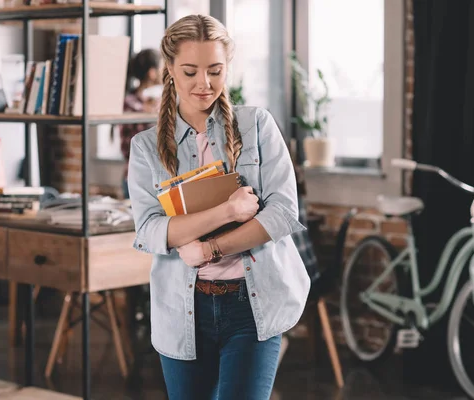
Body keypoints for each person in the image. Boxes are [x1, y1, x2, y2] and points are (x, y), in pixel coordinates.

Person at [127, 14, 311, 400]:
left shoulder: (257, 125)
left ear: (227, 67)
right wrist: (227, 213)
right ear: (170, 69)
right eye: (190, 71)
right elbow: (150, 230)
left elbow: (282, 213)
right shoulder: (145, 147)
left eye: (215, 70)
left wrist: (211, 248)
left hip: (253, 305)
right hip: (181, 310)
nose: (203, 84)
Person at [120, 48, 162, 199]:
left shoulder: (163, 101)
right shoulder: (131, 105)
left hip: (162, 180)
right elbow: (127, 148)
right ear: (152, 72)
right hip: (137, 179)